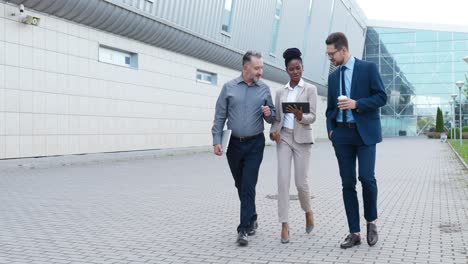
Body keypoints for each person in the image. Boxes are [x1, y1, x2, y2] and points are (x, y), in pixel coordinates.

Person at [325, 32, 387, 249]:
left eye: (332, 54)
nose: (330, 58)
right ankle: (354, 232)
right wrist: (331, 130)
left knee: (367, 178)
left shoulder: (367, 68)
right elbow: (330, 109)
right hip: (342, 135)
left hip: (365, 133)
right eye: (328, 54)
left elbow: (382, 97)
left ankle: (371, 222)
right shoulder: (333, 77)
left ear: (343, 50)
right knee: (347, 183)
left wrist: (357, 104)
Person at [212, 50, 275, 246]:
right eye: (257, 68)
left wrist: (268, 113)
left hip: (255, 143)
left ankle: (243, 228)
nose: (260, 72)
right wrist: (216, 140)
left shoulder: (264, 89)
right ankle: (253, 215)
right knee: (241, 184)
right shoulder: (229, 88)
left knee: (248, 184)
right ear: (245, 67)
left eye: (262, 68)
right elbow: (220, 115)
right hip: (234, 145)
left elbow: (273, 117)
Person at [269, 48, 317, 244]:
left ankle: (308, 211)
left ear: (302, 68)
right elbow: (277, 118)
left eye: (298, 68)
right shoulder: (281, 92)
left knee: (300, 183)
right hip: (285, 139)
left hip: (303, 140)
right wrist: (273, 131)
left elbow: (312, 116)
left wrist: (300, 116)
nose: (295, 72)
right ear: (287, 70)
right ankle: (284, 224)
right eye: (291, 69)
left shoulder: (310, 89)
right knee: (282, 180)